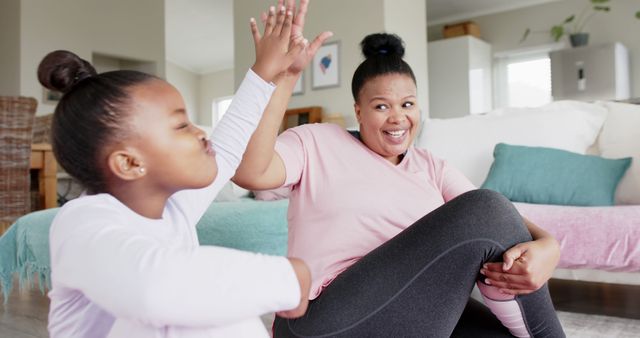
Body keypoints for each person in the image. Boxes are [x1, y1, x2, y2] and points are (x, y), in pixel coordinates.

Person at [233, 33, 566, 337]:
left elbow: (500, 226)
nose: (398, 117)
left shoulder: (431, 165)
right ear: (358, 111)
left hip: (406, 310)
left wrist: (548, 246)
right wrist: (284, 78)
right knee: (487, 206)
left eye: (407, 104)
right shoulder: (316, 141)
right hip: (322, 318)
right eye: (381, 106)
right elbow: (251, 173)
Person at [40, 2, 330, 337]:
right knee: (197, 301)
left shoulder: (173, 209)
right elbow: (155, 288)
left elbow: (229, 145)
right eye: (181, 126)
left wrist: (267, 73)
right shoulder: (82, 223)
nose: (200, 133)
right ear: (129, 163)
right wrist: (288, 277)